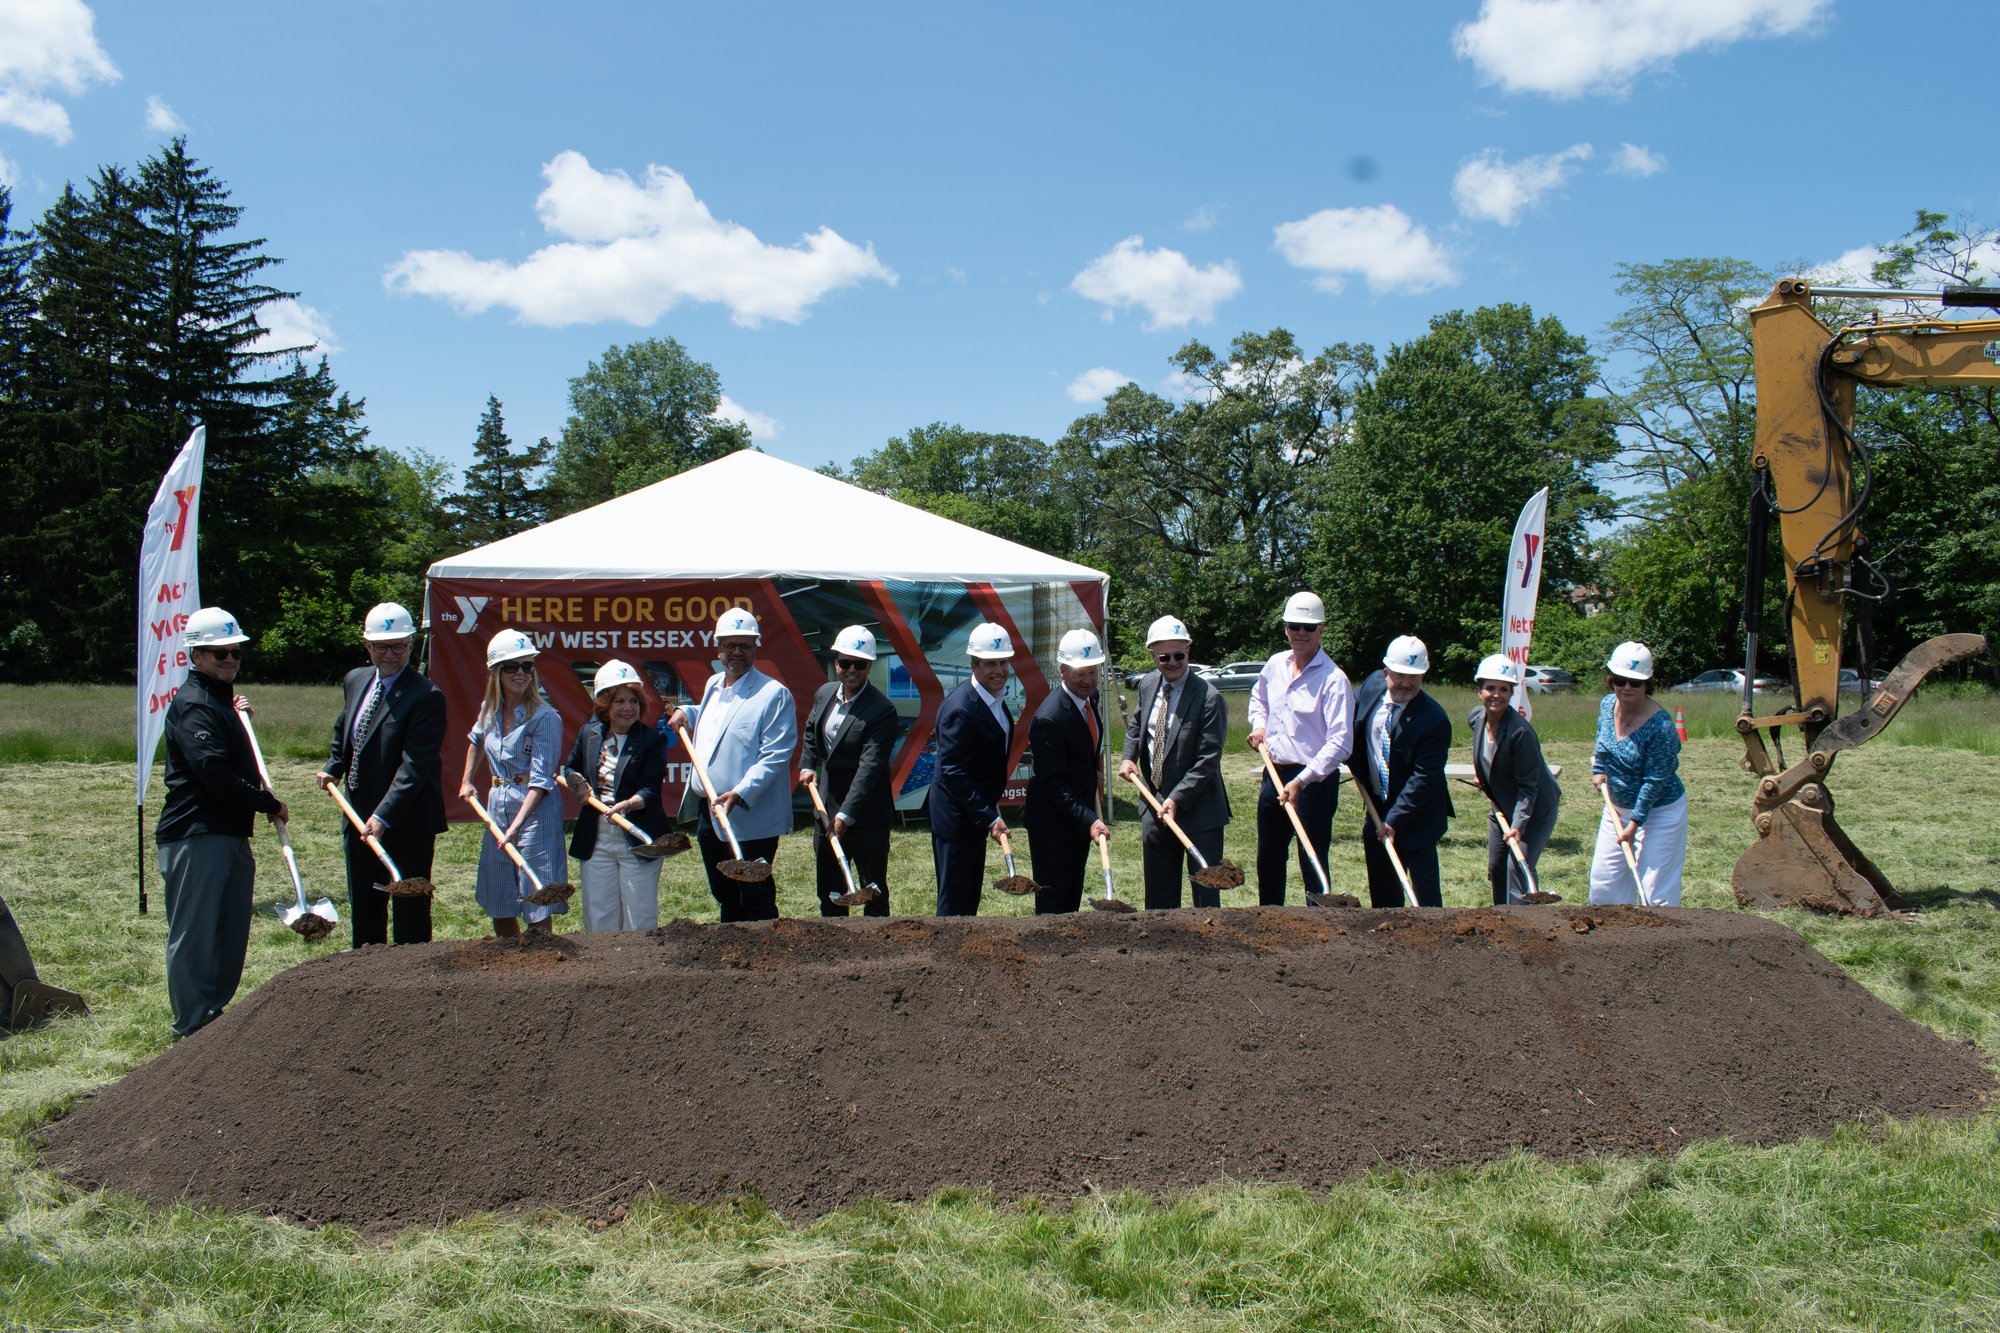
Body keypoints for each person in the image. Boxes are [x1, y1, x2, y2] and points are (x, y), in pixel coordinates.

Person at [156, 606, 286, 1038]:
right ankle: (191, 1024)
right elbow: (213, 772)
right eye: (219, 654)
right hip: (197, 833)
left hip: (229, 832)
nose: (230, 660)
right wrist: (266, 801)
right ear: (196, 656)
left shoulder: (219, 700)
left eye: (236, 653)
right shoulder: (194, 705)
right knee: (196, 933)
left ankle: (212, 1014)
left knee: (230, 930)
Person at [315, 601, 446, 947]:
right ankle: (366, 980)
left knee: (408, 911)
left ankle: (411, 984)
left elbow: (415, 766)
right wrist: (334, 765)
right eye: (382, 646)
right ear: (367, 646)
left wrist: (383, 816)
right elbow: (347, 728)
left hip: (407, 821)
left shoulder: (426, 696)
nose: (390, 654)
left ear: (411, 646)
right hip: (359, 817)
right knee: (365, 906)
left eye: (399, 646)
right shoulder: (356, 680)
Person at [665, 608, 797, 922]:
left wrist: (738, 793)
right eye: (730, 645)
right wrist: (688, 712)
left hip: (749, 814)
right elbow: (719, 715)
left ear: (756, 648)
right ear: (719, 648)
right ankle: (731, 954)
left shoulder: (773, 695)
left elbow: (776, 755)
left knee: (754, 894)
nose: (737, 652)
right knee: (724, 892)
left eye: (745, 645)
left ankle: (766, 957)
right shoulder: (714, 684)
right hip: (709, 810)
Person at [1244, 592, 1353, 905]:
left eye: (1308, 626)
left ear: (1321, 629)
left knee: (1312, 856)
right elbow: (1259, 699)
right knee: (1269, 857)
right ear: (1286, 628)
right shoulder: (1276, 665)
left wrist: (1302, 780)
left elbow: (1341, 741)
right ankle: (1271, 917)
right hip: (1274, 774)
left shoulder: (1334, 679)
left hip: (1313, 781)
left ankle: (1319, 924)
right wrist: (1259, 726)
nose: (1300, 633)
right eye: (1294, 626)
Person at [460, 629, 567, 938]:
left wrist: (517, 825)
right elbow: (476, 739)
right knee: (500, 892)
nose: (521, 673)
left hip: (535, 811)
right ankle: (507, 962)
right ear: (496, 672)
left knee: (537, 891)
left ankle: (541, 960)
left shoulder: (545, 718)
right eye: (511, 666)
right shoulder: (489, 710)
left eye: (527, 666)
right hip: (498, 802)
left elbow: (542, 779)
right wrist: (467, 779)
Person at [1119, 615, 1229, 910]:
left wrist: (1177, 798)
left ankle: (1208, 950)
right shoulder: (1148, 684)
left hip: (1199, 811)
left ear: (1188, 651)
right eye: (1164, 657)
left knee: (1205, 893)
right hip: (1154, 804)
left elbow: (1208, 760)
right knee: (1159, 893)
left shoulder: (1209, 698)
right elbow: (1138, 722)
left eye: (1179, 655)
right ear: (1152, 655)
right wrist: (1129, 756)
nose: (1172, 663)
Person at [1348, 635, 1454, 907]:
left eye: (1414, 677)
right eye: (1399, 675)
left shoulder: (1435, 721)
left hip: (1418, 813)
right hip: (1376, 805)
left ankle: (1432, 940)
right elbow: (1348, 718)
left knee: (1424, 896)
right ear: (1386, 672)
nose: (1406, 683)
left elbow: (1423, 779)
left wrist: (1394, 820)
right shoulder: (1371, 687)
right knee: (1383, 893)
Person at [799, 626, 898, 917]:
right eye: (845, 662)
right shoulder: (825, 693)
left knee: (873, 890)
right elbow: (810, 729)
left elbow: (870, 768)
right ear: (836, 662)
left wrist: (845, 815)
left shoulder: (882, 710)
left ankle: (878, 951)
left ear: (869, 666)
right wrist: (807, 763)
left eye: (860, 664)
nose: (851, 670)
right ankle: (835, 948)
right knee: (830, 888)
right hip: (826, 805)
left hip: (866, 814)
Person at [565, 660, 670, 932]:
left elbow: (650, 789)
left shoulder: (652, 740)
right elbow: (571, 767)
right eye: (619, 701)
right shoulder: (589, 734)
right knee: (600, 915)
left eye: (633, 701)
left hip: (635, 833)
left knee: (639, 917)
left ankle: (640, 971)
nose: (628, 708)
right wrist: (577, 782)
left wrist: (627, 805)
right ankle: (604, 971)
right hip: (596, 834)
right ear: (604, 705)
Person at [1590, 640, 1689, 907]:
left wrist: (1634, 825)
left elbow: (1655, 781)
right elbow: (1602, 740)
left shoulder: (1662, 728)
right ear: (1611, 680)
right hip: (1617, 807)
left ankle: (1661, 945)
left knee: (1654, 892)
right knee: (1604, 886)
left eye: (1635, 682)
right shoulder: (1608, 705)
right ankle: (1610, 945)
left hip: (1659, 812)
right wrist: (1599, 768)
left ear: (1647, 684)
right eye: (1619, 680)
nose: (1626, 688)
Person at [930, 621, 1017, 916]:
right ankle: (946, 955)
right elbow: (953, 772)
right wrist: (989, 816)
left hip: (973, 814)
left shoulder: (995, 699)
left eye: (1004, 662)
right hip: (956, 819)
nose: (999, 670)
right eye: (991, 663)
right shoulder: (961, 708)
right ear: (974, 664)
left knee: (968, 895)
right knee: (955, 899)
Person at [1025, 629, 1110, 914]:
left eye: (1093, 672)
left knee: (1073, 891)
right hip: (1053, 825)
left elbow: (1087, 748)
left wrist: (1095, 775)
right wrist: (1089, 819)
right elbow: (1053, 784)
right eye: (1079, 673)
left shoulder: (1091, 698)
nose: (1087, 680)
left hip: (1076, 818)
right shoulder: (1049, 718)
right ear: (1062, 671)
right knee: (1054, 899)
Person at [1467, 654, 1561, 905]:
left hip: (1535, 809)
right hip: (1502, 803)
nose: (1496, 694)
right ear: (1479, 691)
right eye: (1490, 688)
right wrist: (1486, 775)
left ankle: (1525, 923)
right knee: (1497, 865)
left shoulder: (1521, 733)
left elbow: (1529, 787)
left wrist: (1518, 826)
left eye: (1504, 689)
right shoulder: (1477, 718)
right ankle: (1502, 919)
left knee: (1517, 866)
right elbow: (1490, 753)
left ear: (1511, 693)